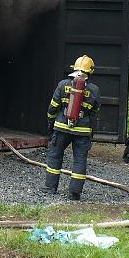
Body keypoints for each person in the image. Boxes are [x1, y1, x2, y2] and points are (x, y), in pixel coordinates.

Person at [44, 55, 101, 201]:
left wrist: (51, 124)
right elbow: (94, 112)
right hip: (82, 132)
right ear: (90, 71)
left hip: (62, 128)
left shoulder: (63, 85)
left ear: (75, 68)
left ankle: (50, 187)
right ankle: (74, 193)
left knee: (55, 156)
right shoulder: (95, 90)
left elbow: (53, 107)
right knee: (80, 160)